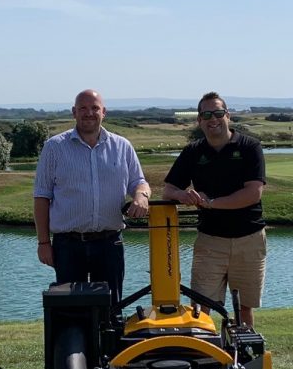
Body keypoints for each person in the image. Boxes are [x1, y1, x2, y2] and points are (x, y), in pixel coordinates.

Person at [160, 92, 268, 326]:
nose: (213, 119)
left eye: (218, 113)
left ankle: (245, 355)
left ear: (228, 116)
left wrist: (209, 203)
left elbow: (253, 194)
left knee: (244, 307)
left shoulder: (250, 147)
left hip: (249, 238)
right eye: (206, 114)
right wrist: (184, 195)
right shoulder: (193, 152)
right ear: (199, 120)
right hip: (210, 241)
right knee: (201, 307)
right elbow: (167, 191)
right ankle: (206, 358)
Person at [33, 89, 150, 301]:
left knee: (110, 311)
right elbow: (42, 197)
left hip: (109, 243)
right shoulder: (54, 147)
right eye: (83, 108)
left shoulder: (122, 146)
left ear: (104, 112)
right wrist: (43, 243)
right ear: (74, 112)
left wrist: (141, 196)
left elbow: (138, 182)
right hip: (68, 245)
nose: (89, 113)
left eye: (94, 108)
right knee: (70, 312)